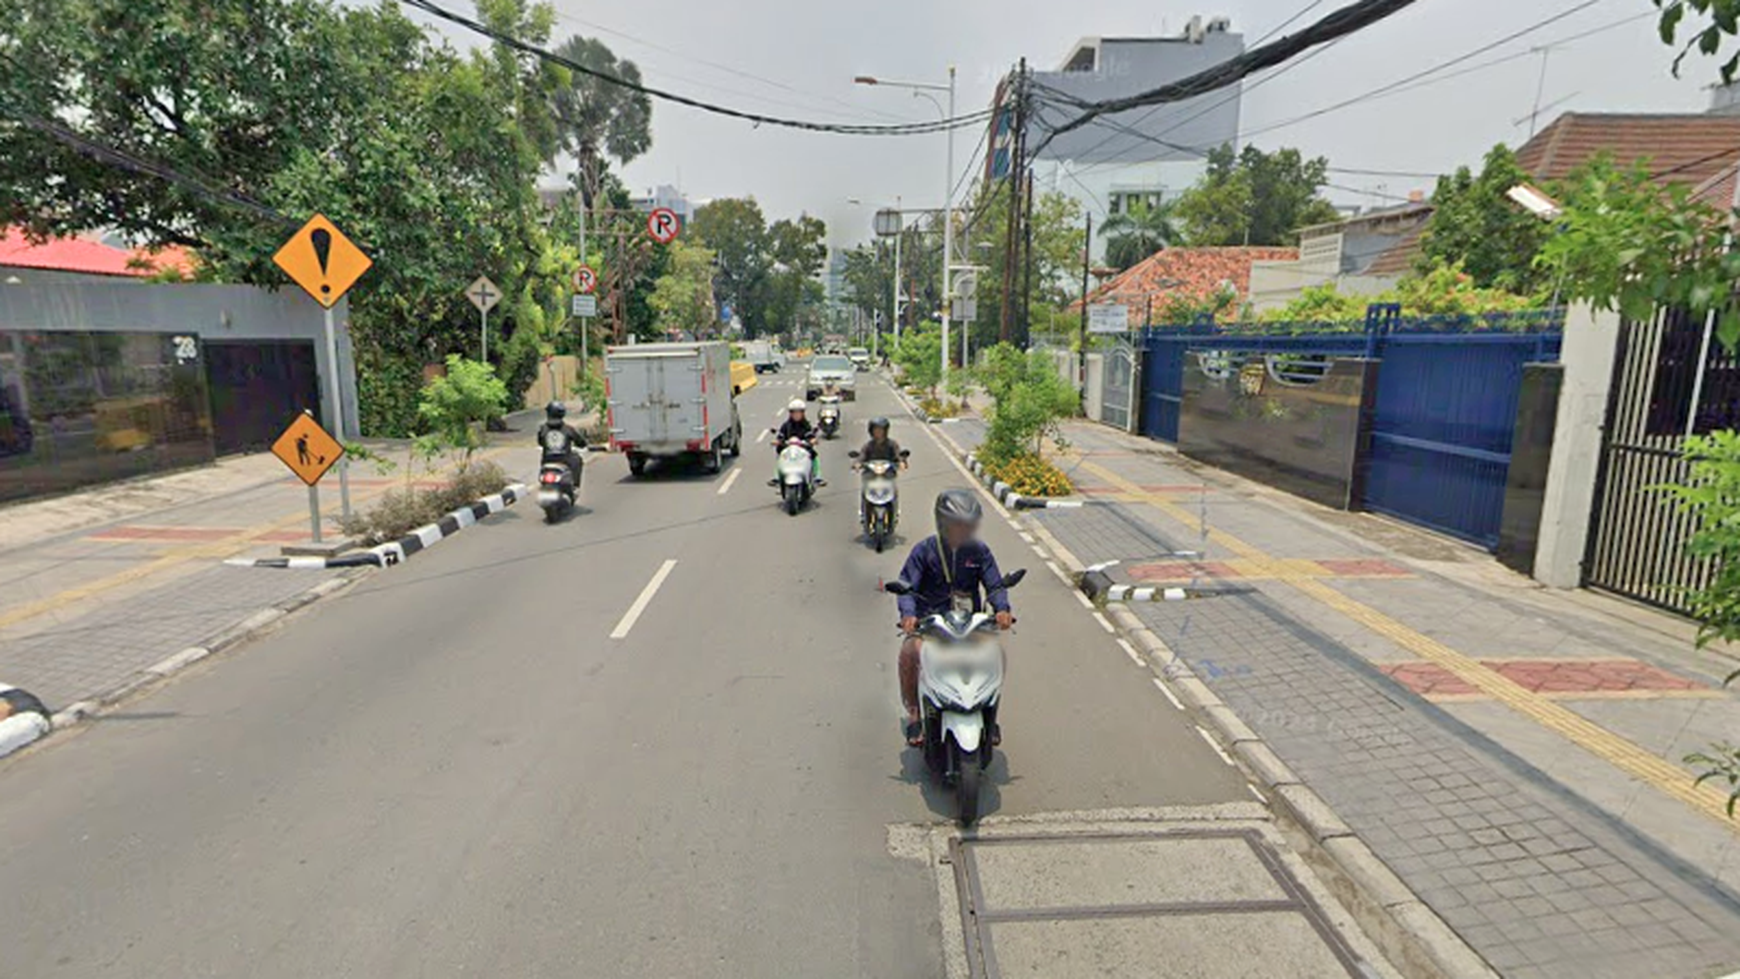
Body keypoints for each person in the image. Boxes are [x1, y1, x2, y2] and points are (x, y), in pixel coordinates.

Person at [894, 490, 1013, 746]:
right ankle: (915, 714)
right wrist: (909, 615)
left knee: (997, 653)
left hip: (970, 624)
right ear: (942, 522)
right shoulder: (924, 551)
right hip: (932, 625)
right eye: (958, 523)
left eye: (969, 524)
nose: (964, 529)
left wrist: (1002, 609)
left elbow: (995, 586)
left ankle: (990, 714)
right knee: (909, 651)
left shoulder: (980, 552)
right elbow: (907, 587)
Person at [771, 399, 823, 485]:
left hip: (803, 449)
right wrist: (777, 441)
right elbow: (780, 436)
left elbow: (810, 435)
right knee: (779, 455)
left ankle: (817, 477)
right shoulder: (786, 425)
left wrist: (812, 440)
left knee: (814, 455)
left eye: (799, 413)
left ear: (803, 414)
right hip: (788, 449)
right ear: (790, 414)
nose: (797, 415)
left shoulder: (806, 425)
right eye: (794, 413)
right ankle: (777, 477)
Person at [536, 400, 585, 476]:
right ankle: (574, 484)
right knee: (577, 459)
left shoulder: (542, 429)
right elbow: (581, 443)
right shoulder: (568, 429)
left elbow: (540, 442)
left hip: (547, 461)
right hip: (565, 461)